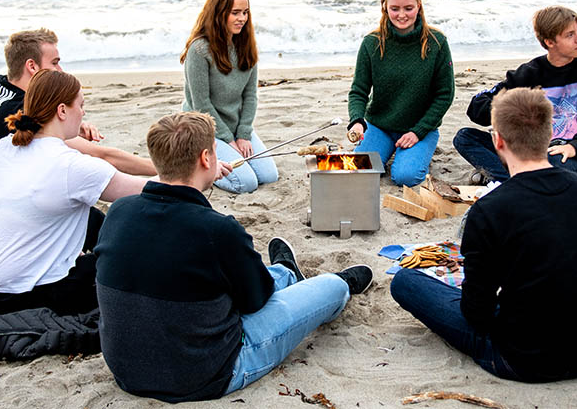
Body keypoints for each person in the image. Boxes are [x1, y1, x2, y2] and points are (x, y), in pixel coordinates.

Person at [95, 111, 374, 402]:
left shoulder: (118, 211)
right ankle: (332, 282)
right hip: (209, 372)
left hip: (128, 371)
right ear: (206, 159)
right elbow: (257, 301)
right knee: (329, 288)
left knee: (213, 278)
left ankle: (285, 270)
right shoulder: (216, 229)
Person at [391, 87, 577, 382]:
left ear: (497, 140)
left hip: (520, 359)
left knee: (406, 282)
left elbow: (477, 314)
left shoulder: (490, 210)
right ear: (550, 133)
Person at [0, 28, 166, 240]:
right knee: (83, 213)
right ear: (32, 66)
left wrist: (73, 124)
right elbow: (102, 155)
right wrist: (166, 169)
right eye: (55, 63)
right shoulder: (20, 111)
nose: (60, 70)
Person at [0, 69, 152, 315]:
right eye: (81, 105)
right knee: (129, 235)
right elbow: (155, 192)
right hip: (32, 296)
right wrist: (201, 171)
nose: (84, 112)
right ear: (62, 110)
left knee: (88, 215)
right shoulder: (70, 165)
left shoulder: (1, 147)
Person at [454, 5, 577, 182]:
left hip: (569, 156)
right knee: (465, 138)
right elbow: (477, 104)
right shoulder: (530, 72)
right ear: (550, 42)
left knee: (558, 165)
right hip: (529, 152)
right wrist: (512, 113)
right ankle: (517, 182)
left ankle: (508, 181)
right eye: (570, 35)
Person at [346, 0, 455, 186]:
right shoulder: (372, 43)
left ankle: (417, 152)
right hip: (380, 126)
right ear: (385, 8)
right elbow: (358, 91)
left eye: (408, 8)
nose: (402, 15)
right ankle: (389, 149)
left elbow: (445, 94)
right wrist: (357, 121)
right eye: (395, 9)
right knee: (359, 170)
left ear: (418, 6)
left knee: (405, 177)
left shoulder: (437, 42)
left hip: (419, 127)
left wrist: (418, 131)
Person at [181, 0, 277, 194]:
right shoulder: (199, 50)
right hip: (204, 127)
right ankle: (202, 170)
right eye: (235, 13)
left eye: (245, 13)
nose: (242, 18)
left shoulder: (246, 46)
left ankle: (223, 154)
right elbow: (201, 105)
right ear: (218, 13)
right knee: (246, 183)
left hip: (235, 127)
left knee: (269, 176)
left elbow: (250, 96)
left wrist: (243, 134)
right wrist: (229, 139)